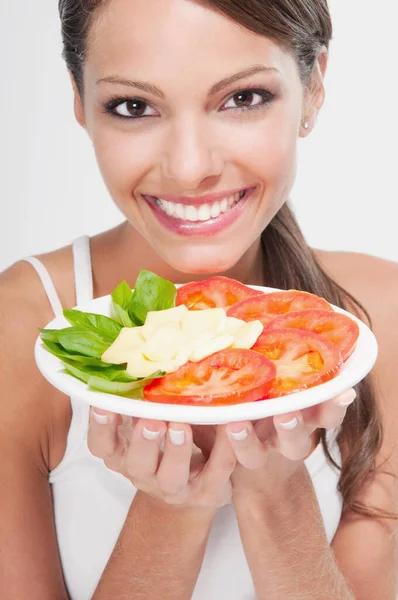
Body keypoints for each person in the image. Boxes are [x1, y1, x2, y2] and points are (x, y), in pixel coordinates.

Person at [1, 0, 397, 598]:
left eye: (243, 99)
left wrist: (278, 494)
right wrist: (171, 508)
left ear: (313, 86)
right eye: (133, 107)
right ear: (80, 103)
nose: (189, 169)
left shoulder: (376, 319)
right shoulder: (20, 332)